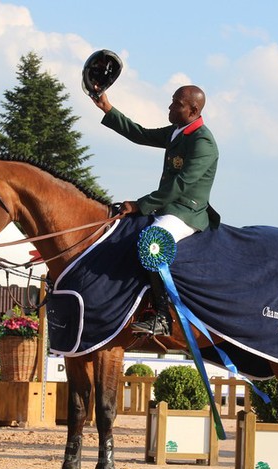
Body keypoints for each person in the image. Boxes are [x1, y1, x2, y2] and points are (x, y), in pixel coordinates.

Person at [92, 85, 219, 336]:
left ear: (193, 110)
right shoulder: (178, 132)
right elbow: (140, 134)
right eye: (172, 102)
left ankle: (162, 317)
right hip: (167, 206)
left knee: (153, 241)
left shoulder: (203, 141)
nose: (170, 107)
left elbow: (181, 185)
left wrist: (141, 205)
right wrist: (107, 107)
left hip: (186, 212)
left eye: (176, 104)